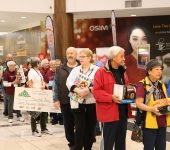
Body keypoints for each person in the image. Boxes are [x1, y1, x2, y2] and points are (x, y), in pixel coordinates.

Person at [93, 46, 132, 150]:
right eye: (121, 56)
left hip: (122, 113)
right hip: (109, 114)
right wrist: (111, 97)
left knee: (121, 142)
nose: (124, 58)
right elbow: (96, 92)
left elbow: (125, 87)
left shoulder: (123, 71)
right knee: (108, 143)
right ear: (113, 57)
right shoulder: (101, 72)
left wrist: (131, 91)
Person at [66, 48, 99, 150]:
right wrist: (77, 90)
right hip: (77, 102)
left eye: (83, 57)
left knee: (90, 127)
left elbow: (99, 84)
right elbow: (68, 82)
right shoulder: (76, 70)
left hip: (91, 102)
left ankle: (88, 147)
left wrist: (89, 89)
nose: (80, 59)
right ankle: (78, 147)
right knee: (80, 128)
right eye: (80, 57)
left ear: (89, 58)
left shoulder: (97, 70)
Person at [135, 59, 170, 150]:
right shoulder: (142, 84)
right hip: (149, 124)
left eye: (161, 69)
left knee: (161, 148)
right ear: (149, 71)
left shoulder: (161, 84)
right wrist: (152, 109)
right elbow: (138, 103)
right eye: (157, 69)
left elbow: (165, 101)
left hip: (162, 123)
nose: (160, 72)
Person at [53, 47, 79, 149]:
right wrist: (55, 99)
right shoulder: (59, 69)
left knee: (80, 123)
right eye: (68, 53)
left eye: (72, 53)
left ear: (76, 54)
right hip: (65, 101)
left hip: (80, 101)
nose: (70, 55)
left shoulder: (82, 67)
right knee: (68, 124)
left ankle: (79, 141)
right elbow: (55, 85)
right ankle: (72, 143)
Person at [27, 57, 52, 137]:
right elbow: (30, 83)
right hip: (35, 95)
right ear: (37, 63)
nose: (40, 63)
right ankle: (34, 130)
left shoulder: (38, 71)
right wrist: (32, 94)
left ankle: (43, 128)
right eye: (39, 62)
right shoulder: (31, 72)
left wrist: (43, 85)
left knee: (44, 111)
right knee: (34, 113)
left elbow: (42, 81)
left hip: (41, 94)